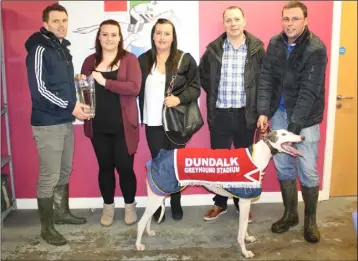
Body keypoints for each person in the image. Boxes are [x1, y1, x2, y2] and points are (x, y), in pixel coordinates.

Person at [257, 1, 327, 243]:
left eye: (295, 19)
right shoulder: (275, 43)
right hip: (278, 114)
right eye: (286, 19)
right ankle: (290, 215)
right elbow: (266, 78)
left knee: (307, 169)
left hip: (305, 119)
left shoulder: (316, 48)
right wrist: (264, 111)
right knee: (284, 166)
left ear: (305, 20)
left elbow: (310, 91)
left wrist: (293, 131)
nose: (290, 23)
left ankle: (310, 221)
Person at [25, 3, 91, 246]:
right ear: (45, 24)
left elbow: (56, 84)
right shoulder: (40, 49)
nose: (61, 25)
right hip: (47, 124)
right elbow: (40, 90)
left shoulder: (62, 49)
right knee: (49, 176)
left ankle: (62, 213)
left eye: (64, 20)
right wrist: (72, 107)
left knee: (64, 171)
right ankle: (47, 227)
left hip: (64, 120)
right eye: (55, 21)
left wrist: (75, 83)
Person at [199, 6, 265, 222]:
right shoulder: (214, 49)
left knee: (243, 162)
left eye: (237, 19)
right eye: (229, 20)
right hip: (219, 115)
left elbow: (265, 82)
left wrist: (261, 110)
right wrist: (215, 94)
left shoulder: (256, 49)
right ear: (224, 23)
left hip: (246, 116)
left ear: (244, 21)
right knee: (219, 162)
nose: (233, 23)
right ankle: (220, 204)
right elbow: (203, 76)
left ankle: (241, 202)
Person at [79, 19, 142, 227]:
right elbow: (84, 93)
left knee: (125, 168)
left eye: (113, 34)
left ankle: (130, 206)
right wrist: (81, 83)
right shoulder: (89, 61)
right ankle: (108, 207)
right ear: (99, 37)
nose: (109, 38)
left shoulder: (130, 59)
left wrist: (105, 82)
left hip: (124, 127)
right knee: (104, 167)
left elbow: (134, 88)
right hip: (98, 127)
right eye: (105, 34)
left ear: (120, 37)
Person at [138, 18, 201, 223]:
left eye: (166, 33)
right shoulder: (143, 60)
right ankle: (158, 204)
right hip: (152, 123)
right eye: (158, 33)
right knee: (158, 164)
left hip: (175, 122)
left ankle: (176, 201)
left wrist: (179, 99)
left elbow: (195, 88)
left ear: (173, 37)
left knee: (175, 164)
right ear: (153, 35)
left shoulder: (185, 59)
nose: (162, 37)